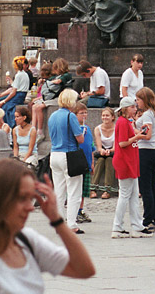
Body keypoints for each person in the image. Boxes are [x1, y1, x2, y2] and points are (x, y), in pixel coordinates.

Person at [0, 158, 94, 291]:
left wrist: (57, 221)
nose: (30, 207)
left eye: (31, 198)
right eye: (22, 198)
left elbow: (84, 269)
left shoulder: (27, 241)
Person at [112, 95, 153, 238]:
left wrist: (139, 132)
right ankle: (117, 227)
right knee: (124, 194)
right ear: (125, 109)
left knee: (134, 194)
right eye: (132, 107)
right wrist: (138, 137)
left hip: (130, 159)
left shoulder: (127, 122)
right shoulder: (122, 122)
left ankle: (137, 226)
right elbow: (122, 143)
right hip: (125, 160)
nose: (135, 109)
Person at [47, 89, 86, 235]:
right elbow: (79, 139)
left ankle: (58, 222)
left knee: (59, 190)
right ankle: (72, 224)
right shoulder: (71, 116)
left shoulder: (52, 116)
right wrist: (82, 131)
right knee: (74, 190)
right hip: (68, 154)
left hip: (54, 154)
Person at [135, 87, 155, 231]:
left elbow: (146, 134)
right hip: (152, 150)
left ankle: (148, 219)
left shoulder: (147, 115)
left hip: (145, 151)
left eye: (138, 99)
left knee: (146, 187)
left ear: (144, 100)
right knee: (153, 187)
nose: (137, 102)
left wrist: (135, 131)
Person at [73, 102, 94, 225]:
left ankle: (80, 210)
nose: (84, 115)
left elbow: (91, 146)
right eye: (81, 113)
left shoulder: (88, 129)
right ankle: (74, 211)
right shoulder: (74, 128)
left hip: (86, 162)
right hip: (77, 162)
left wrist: (92, 163)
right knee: (76, 189)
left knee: (84, 190)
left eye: (85, 112)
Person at [0, 57, 31, 128]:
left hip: (18, 95)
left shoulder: (18, 75)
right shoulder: (24, 74)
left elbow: (14, 92)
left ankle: (9, 125)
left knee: (5, 107)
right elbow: (16, 86)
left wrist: (4, 101)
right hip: (22, 94)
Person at [91, 107, 117, 198]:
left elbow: (115, 146)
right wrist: (102, 150)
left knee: (110, 160)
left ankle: (107, 189)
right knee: (101, 160)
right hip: (102, 152)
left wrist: (110, 151)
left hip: (113, 151)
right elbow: (98, 146)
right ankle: (93, 188)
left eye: (107, 115)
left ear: (112, 117)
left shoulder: (116, 128)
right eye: (103, 115)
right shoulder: (98, 129)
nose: (105, 117)